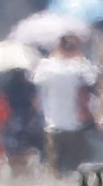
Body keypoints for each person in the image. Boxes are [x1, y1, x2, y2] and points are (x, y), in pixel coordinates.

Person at [32, 34, 98, 176]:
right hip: (75, 124)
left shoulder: (47, 66)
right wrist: (80, 57)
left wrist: (52, 56)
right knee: (76, 168)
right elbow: (93, 79)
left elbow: (36, 81)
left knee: (54, 167)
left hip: (52, 123)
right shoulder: (81, 66)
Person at [1, 69, 43, 177]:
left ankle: (17, 179)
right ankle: (26, 178)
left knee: (14, 156)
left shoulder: (6, 85)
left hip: (12, 121)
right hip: (27, 121)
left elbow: (4, 103)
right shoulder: (29, 86)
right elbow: (35, 104)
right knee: (27, 153)